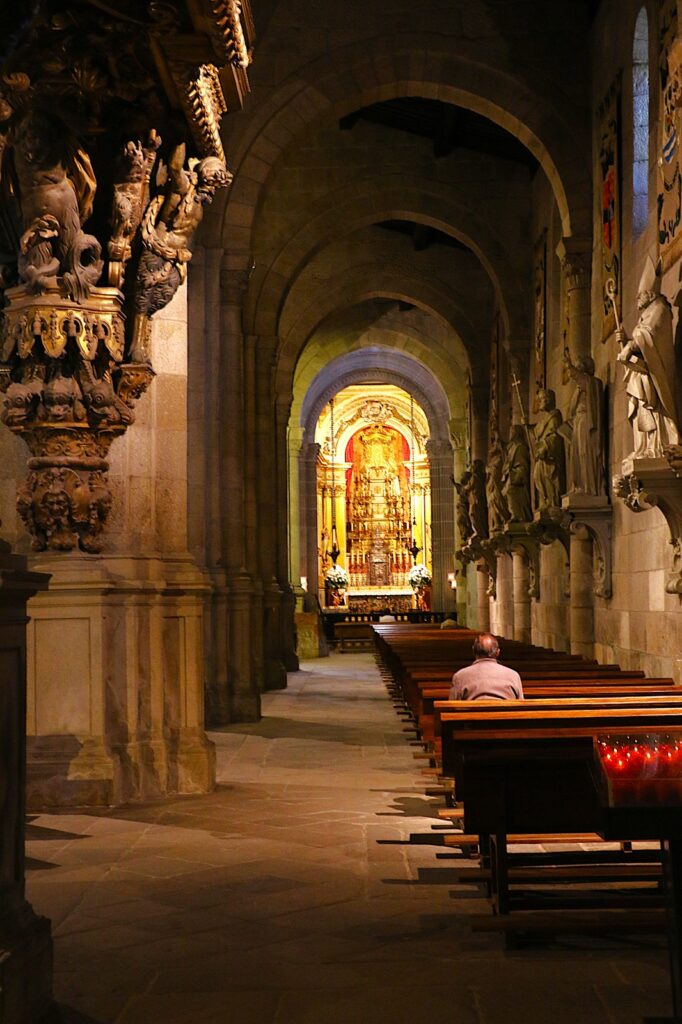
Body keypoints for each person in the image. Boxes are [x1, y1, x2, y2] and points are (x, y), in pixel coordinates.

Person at [449, 633, 524, 700]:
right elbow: (521, 706)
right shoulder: (513, 675)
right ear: (498, 653)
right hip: (506, 715)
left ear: (474, 651)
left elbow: (451, 708)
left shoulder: (460, 676)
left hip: (473, 715)